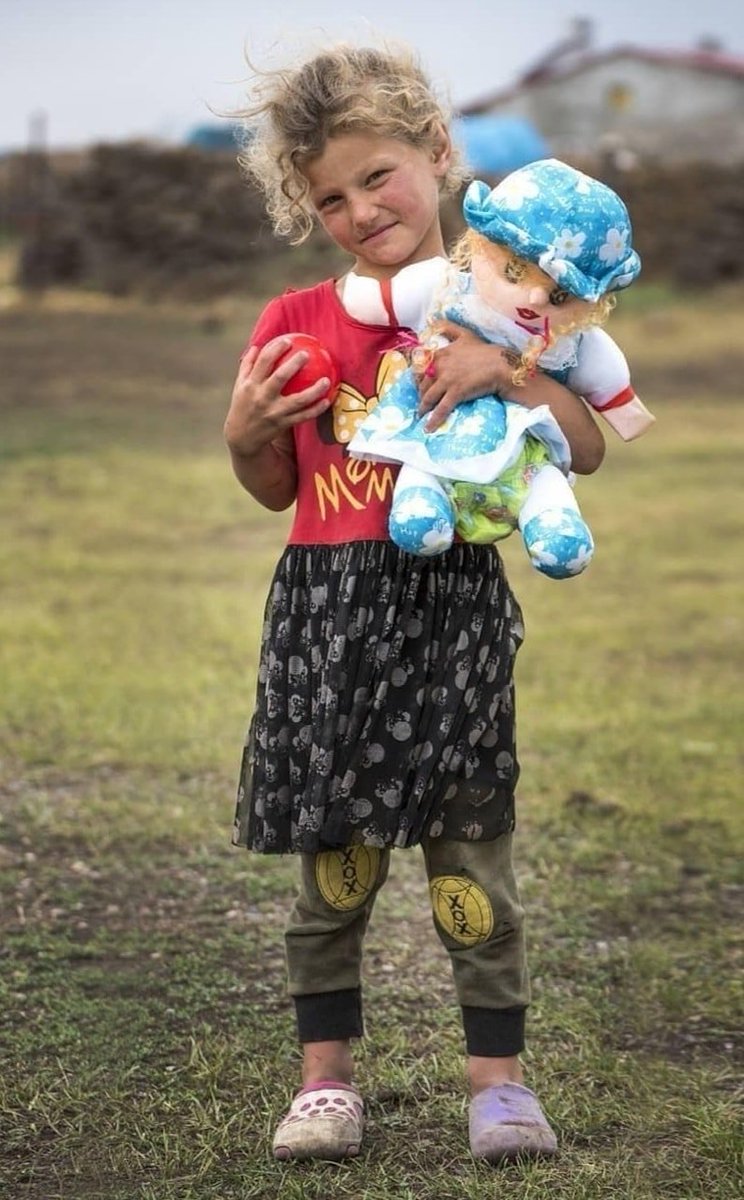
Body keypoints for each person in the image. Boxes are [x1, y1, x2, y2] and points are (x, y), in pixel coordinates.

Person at [224, 42, 605, 1165]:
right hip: (327, 616)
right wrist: (242, 434)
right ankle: (326, 1085)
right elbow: (275, 486)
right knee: (333, 862)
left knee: (467, 860)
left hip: (452, 612)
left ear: (439, 154)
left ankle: (499, 1088)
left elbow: (584, 449)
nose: (357, 209)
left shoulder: (510, 307)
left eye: (377, 176)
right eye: (327, 196)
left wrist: (515, 376)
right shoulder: (293, 319)